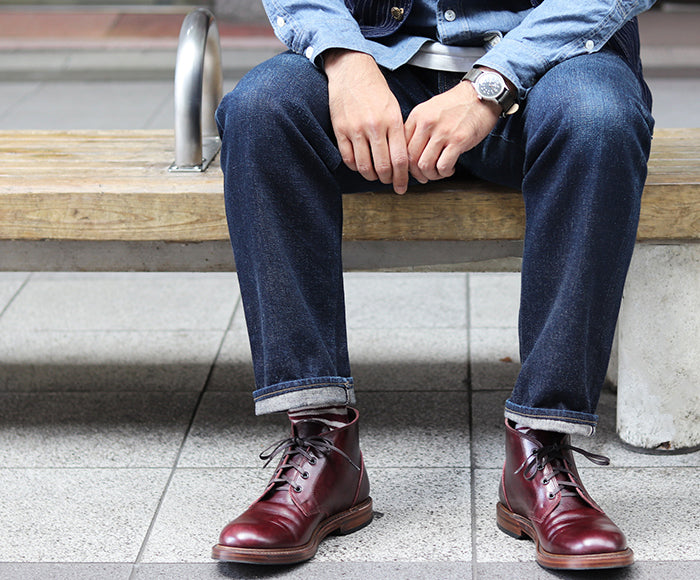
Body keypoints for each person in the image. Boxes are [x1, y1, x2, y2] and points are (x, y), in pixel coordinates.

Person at [211, 0, 655, 570]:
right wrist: (344, 59)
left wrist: (490, 84)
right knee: (260, 110)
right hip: (379, 69)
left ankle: (541, 450)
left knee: (599, 118)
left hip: (555, 63)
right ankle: (322, 444)